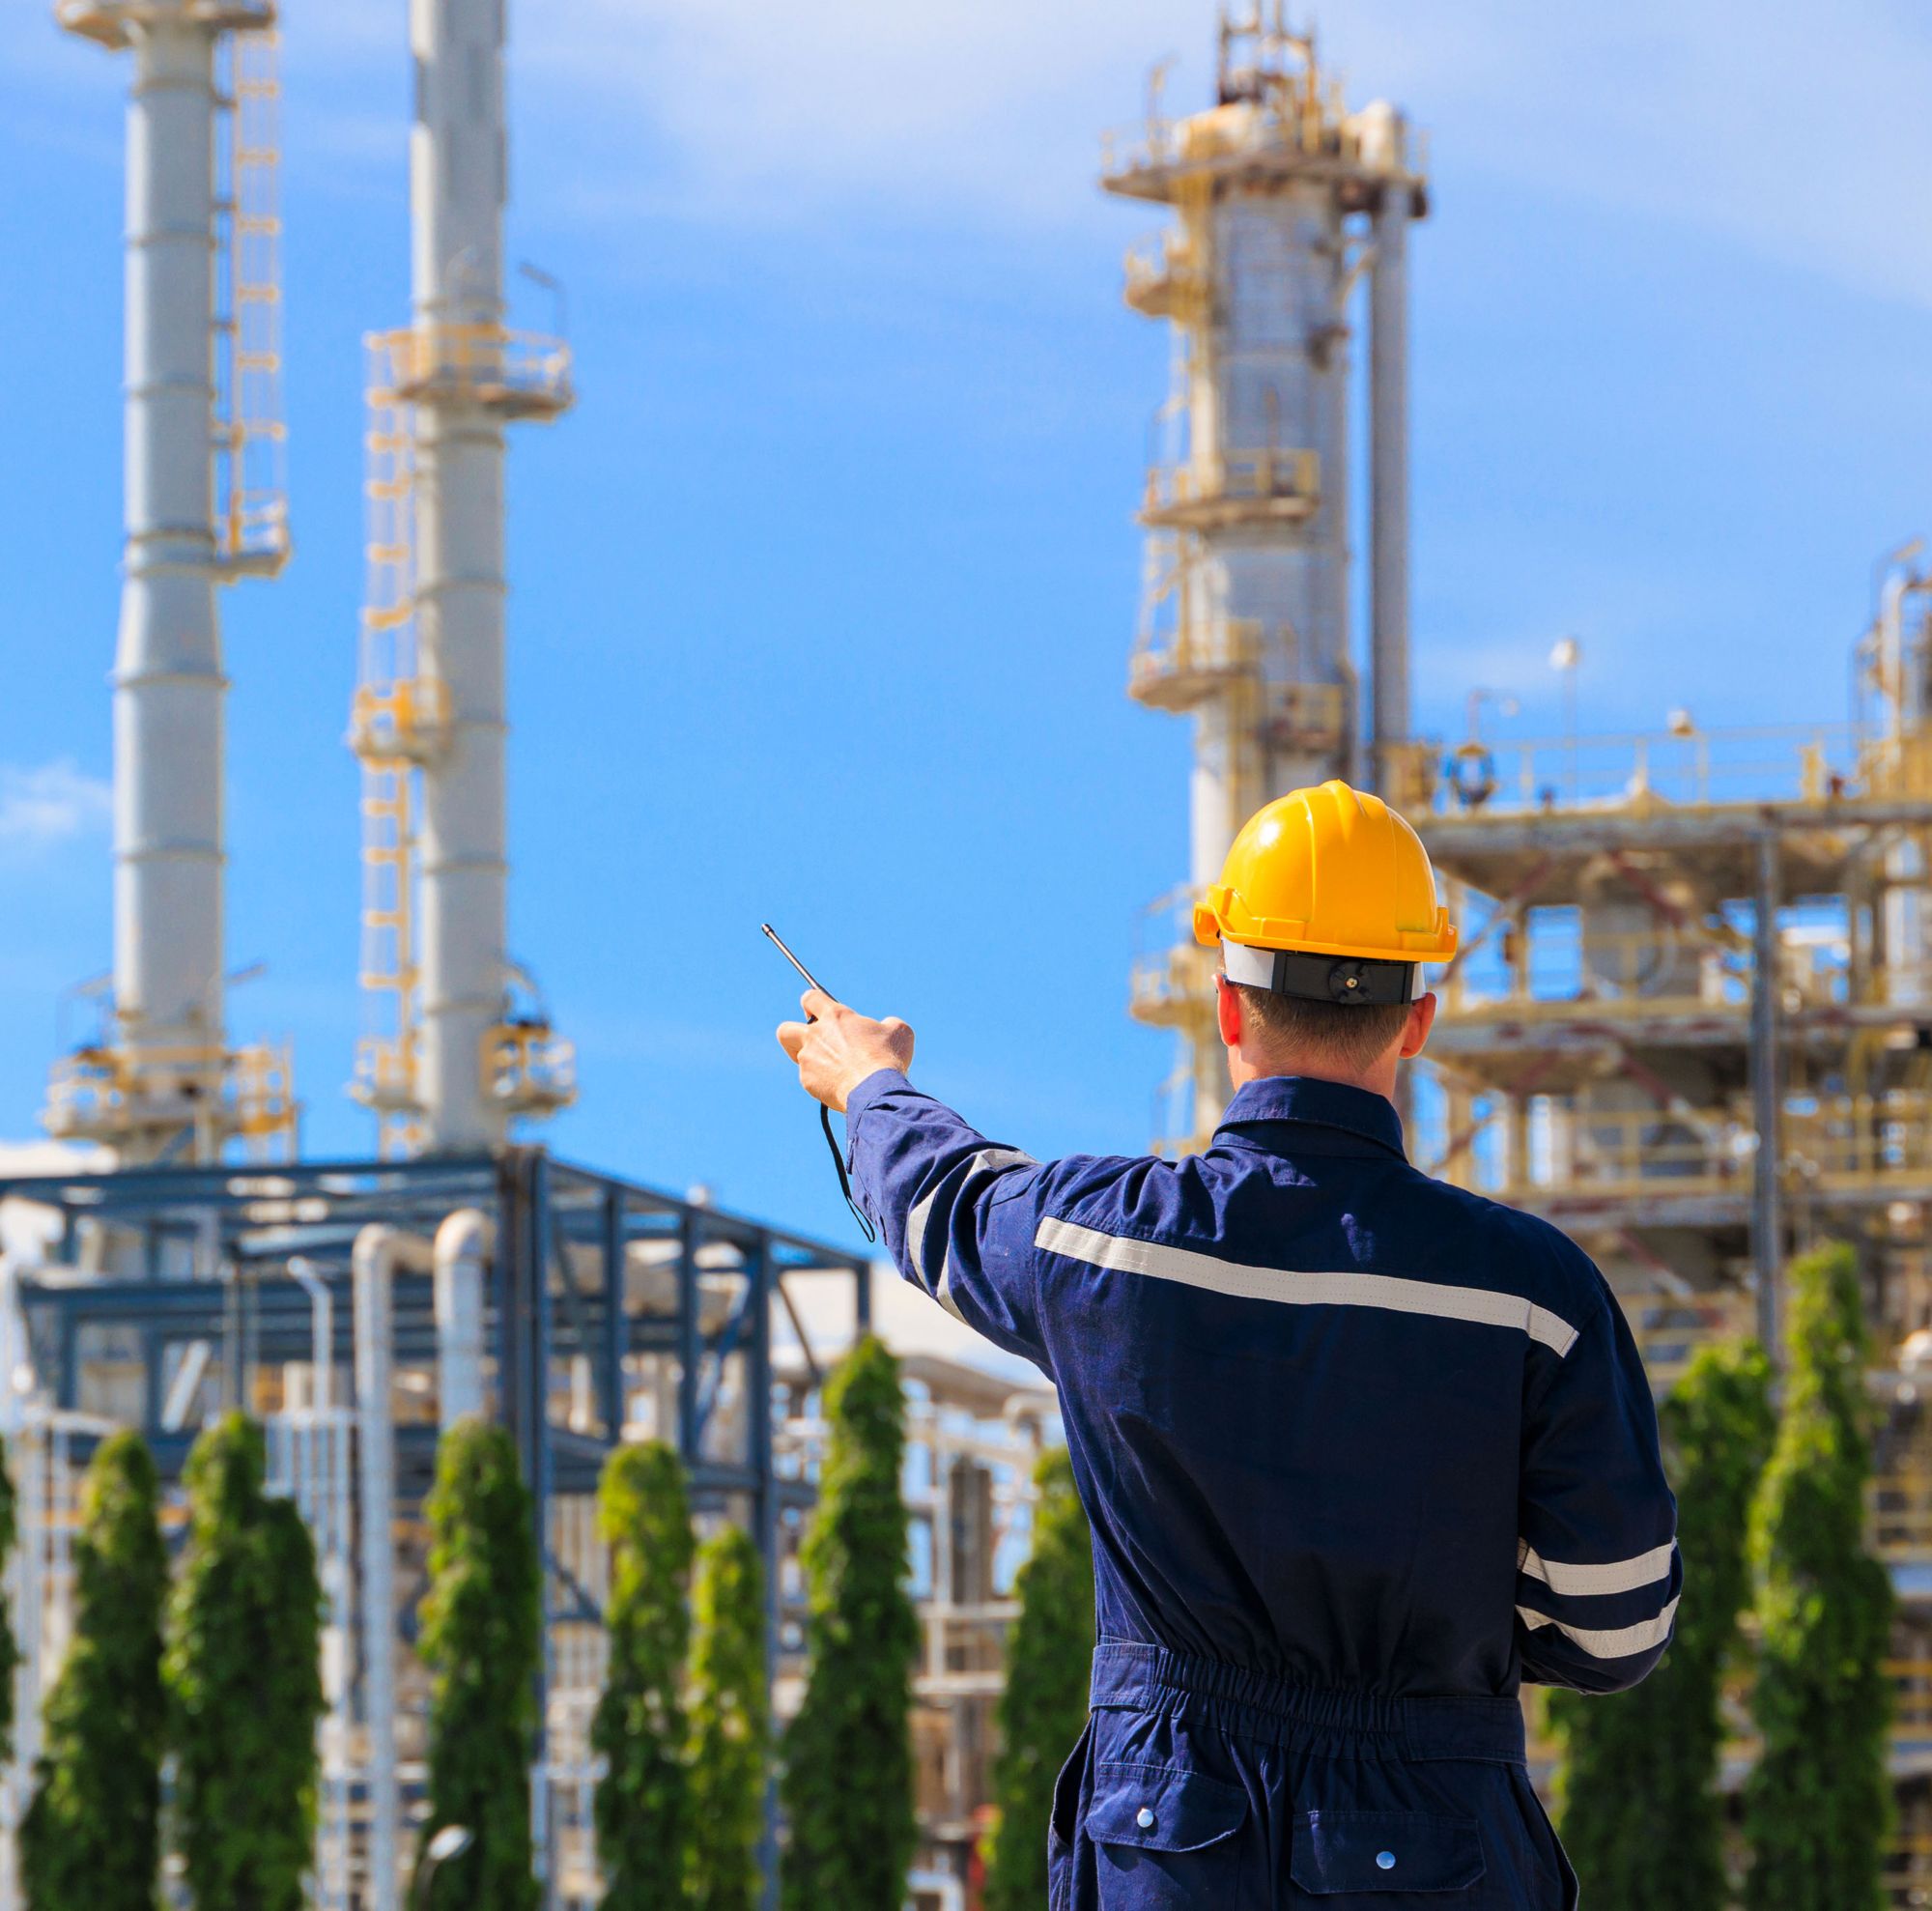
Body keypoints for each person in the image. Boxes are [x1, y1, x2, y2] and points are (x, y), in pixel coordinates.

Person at [777, 780, 1675, 1911]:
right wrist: (1444, 1639)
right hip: (1439, 1839)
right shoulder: (1534, 1294)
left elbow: (943, 1203)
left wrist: (868, 1084)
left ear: (1226, 1007)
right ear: (1416, 1017)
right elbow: (1617, 1622)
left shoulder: (1105, 1241)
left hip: (1173, 1836)